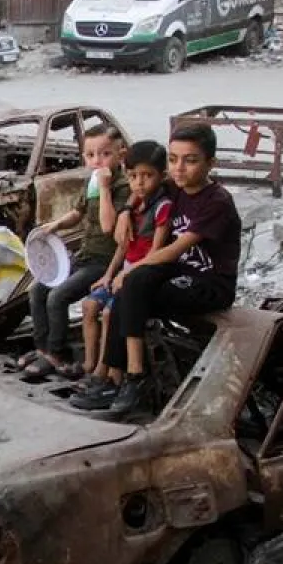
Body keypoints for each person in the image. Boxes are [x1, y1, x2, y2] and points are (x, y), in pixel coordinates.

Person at [73, 124, 241, 418]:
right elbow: (140, 194)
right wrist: (126, 211)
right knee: (129, 290)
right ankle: (115, 380)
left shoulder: (217, 202)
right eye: (173, 159)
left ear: (210, 163)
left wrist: (131, 270)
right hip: (175, 272)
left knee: (133, 285)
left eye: (190, 160)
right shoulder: (174, 187)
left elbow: (175, 250)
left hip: (209, 283)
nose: (179, 168)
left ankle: (133, 378)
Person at [18, 125, 128, 381]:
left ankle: (58, 354)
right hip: (84, 256)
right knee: (37, 290)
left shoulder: (122, 185)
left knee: (58, 297)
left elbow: (109, 225)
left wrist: (104, 188)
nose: (97, 161)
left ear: (121, 155)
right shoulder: (92, 182)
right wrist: (55, 225)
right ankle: (43, 348)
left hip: (105, 262)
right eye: (90, 155)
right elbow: (78, 213)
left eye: (105, 154)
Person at [76, 140, 173, 393]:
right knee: (89, 305)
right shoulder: (132, 208)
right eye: (133, 177)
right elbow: (123, 246)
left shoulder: (162, 207)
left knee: (109, 314)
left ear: (162, 176)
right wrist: (109, 274)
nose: (139, 183)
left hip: (140, 274)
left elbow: (156, 252)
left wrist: (126, 274)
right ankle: (90, 364)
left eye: (147, 176)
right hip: (122, 270)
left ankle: (109, 373)